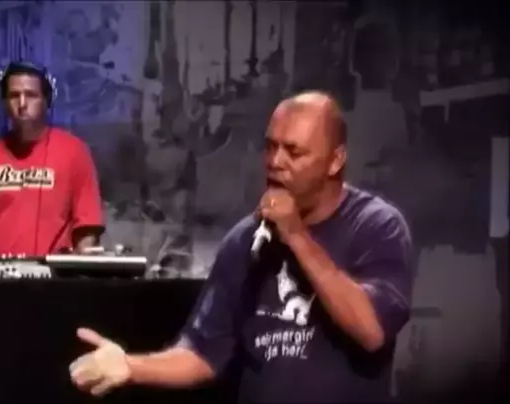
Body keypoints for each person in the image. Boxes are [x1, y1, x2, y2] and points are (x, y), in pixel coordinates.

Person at [69, 91, 415, 402]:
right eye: (271, 147)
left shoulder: (376, 226)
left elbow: (371, 331)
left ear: (335, 160)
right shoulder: (245, 239)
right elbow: (203, 352)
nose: (276, 161)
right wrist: (131, 367)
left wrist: (296, 236)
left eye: (293, 152)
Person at [0, 61, 104, 256]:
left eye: (31, 95)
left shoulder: (74, 152)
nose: (22, 104)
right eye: (14, 96)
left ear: (47, 100)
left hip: (58, 274)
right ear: (4, 102)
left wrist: (82, 268)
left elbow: (87, 229)